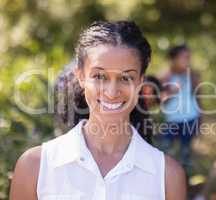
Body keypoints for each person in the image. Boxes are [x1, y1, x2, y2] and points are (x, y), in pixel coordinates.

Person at [9, 21, 187, 200]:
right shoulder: (35, 167)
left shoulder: (168, 176)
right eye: (99, 76)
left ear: (140, 82)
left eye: (126, 78)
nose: (111, 92)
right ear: (81, 76)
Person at [160, 44, 201, 170]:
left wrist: (201, 119)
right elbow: (158, 100)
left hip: (191, 118)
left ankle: (185, 181)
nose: (187, 60)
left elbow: (198, 97)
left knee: (185, 153)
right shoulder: (165, 77)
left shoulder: (192, 75)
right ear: (173, 59)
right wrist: (171, 92)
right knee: (165, 151)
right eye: (184, 57)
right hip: (172, 120)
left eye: (188, 57)